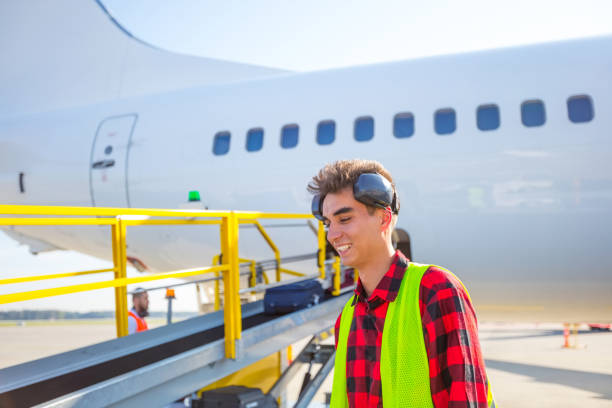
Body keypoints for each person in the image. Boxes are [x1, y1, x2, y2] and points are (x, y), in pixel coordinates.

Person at [308, 159, 495, 408]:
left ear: (384, 219)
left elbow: (468, 399)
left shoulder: (435, 290)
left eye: (344, 219)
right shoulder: (348, 318)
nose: (331, 235)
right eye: (327, 223)